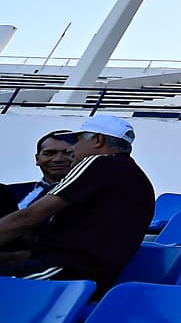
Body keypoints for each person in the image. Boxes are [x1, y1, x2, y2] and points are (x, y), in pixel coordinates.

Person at [0, 115, 154, 291]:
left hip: (67, 272)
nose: (72, 149)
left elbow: (30, 216)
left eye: (77, 140)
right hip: (83, 271)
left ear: (98, 140)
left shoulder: (99, 162)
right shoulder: (131, 174)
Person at [6, 129, 77, 212]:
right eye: (49, 153)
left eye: (69, 153)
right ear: (37, 159)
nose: (58, 159)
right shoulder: (8, 191)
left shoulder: (92, 196)